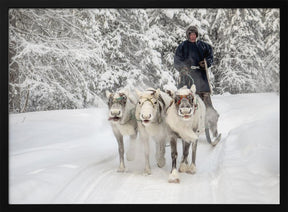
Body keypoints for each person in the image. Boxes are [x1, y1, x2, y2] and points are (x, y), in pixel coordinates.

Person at [174, 25, 219, 137]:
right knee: (182, 105)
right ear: (188, 35)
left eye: (194, 34)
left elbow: (210, 56)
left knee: (208, 106)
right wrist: (182, 68)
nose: (193, 36)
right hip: (187, 81)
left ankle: (213, 129)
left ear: (197, 35)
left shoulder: (204, 46)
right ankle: (180, 129)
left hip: (202, 80)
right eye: (191, 34)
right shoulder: (182, 46)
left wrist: (206, 63)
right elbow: (177, 60)